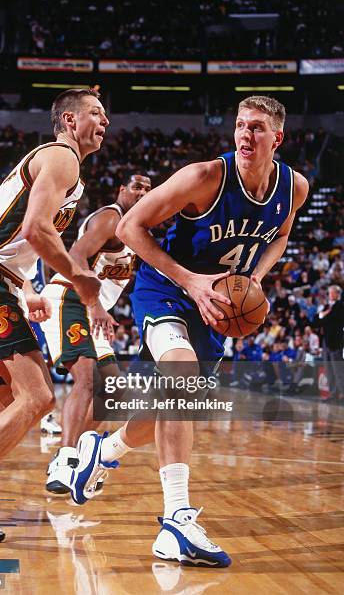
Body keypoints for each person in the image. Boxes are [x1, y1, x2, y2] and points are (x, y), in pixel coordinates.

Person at [116, 96, 308, 567]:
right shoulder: (203, 177)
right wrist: (190, 281)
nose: (245, 135)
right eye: (241, 125)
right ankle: (176, 521)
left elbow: (281, 234)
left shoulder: (295, 187)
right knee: (180, 378)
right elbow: (128, 227)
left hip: (219, 305)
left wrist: (258, 277)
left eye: (257, 128)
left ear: (276, 139)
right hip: (166, 289)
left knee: (151, 420)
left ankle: (101, 453)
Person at [0, 88, 107, 543]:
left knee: (6, 404)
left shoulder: (62, 166)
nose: (104, 121)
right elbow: (35, 230)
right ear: (69, 121)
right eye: (95, 113)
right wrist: (79, 277)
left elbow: (13, 236)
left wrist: (26, 287)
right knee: (38, 397)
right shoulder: (61, 157)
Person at [41, 172, 155, 499]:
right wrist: (95, 306)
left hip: (92, 309)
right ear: (122, 190)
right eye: (137, 187)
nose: (142, 193)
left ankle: (81, 449)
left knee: (114, 395)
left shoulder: (135, 231)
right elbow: (74, 257)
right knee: (88, 381)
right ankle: (65, 460)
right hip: (71, 299)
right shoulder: (110, 218)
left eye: (148, 189)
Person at [316, 284, 344, 401]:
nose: (330, 295)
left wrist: (324, 315)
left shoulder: (340, 305)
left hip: (336, 341)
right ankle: (333, 393)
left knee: (338, 369)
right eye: (329, 292)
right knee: (329, 369)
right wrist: (324, 315)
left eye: (332, 292)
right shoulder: (327, 306)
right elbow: (316, 320)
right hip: (326, 341)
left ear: (338, 294)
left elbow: (331, 319)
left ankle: (342, 393)